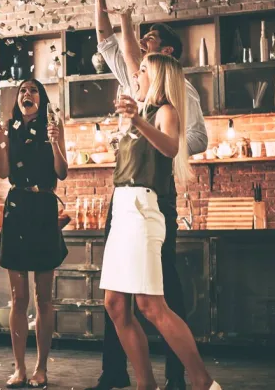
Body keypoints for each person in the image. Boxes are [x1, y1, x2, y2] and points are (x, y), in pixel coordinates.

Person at [86, 0, 208, 390]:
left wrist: (149, 136)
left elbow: (189, 141)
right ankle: (126, 376)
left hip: (152, 198)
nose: (138, 49)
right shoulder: (137, 87)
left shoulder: (174, 94)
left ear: (165, 57)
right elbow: (107, 42)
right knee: (117, 302)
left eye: (149, 43)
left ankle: (189, 378)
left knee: (157, 298)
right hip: (122, 204)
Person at [102, 50, 220, 390]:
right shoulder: (137, 116)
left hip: (143, 209)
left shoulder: (165, 111)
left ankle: (202, 380)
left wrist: (137, 121)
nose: (134, 74)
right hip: (122, 208)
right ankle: (146, 384)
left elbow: (170, 148)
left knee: (150, 304)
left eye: (141, 70)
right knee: (115, 304)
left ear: (157, 78)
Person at [0, 79, 68, 389]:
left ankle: (41, 368)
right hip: (17, 207)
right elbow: (3, 172)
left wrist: (56, 142)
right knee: (18, 299)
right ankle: (19, 368)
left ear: (41, 98)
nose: (26, 94)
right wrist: (1, 138)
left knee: (43, 297)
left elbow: (61, 172)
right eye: (22, 91)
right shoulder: (9, 127)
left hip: (44, 206)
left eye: (32, 90)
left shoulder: (52, 125)